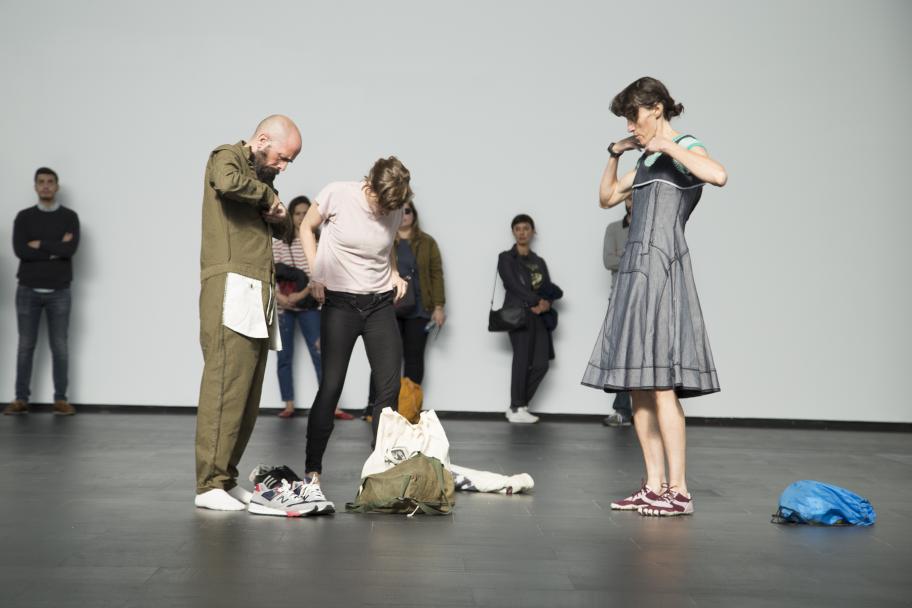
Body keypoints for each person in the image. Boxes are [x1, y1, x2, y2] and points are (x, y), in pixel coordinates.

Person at [582, 77, 728, 516]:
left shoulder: (684, 147)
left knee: (662, 383)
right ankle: (653, 484)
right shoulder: (643, 161)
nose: (632, 125)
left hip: (664, 270)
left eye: (636, 115)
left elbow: (718, 175)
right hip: (633, 273)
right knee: (637, 385)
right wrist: (614, 154)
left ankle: (678, 491)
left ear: (658, 108)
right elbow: (607, 197)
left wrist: (669, 147)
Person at [194, 115, 305, 511]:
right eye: (282, 157)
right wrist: (267, 199)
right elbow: (226, 182)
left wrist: (279, 218)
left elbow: (284, 232)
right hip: (232, 284)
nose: (283, 166)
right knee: (225, 383)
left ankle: (225, 478)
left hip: (258, 287)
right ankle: (207, 484)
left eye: (289, 161)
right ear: (261, 139)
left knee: (248, 389)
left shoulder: (264, 181)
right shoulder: (227, 156)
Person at [299, 156, 413, 497]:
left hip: (379, 304)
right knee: (331, 386)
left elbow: (386, 248)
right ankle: (313, 470)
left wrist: (392, 272)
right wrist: (315, 272)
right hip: (340, 304)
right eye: (381, 202)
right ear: (369, 186)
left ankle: (379, 470)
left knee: (388, 390)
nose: (384, 211)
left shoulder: (392, 207)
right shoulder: (338, 194)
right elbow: (306, 227)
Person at [5, 167, 80, 416]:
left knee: (60, 346)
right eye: (41, 182)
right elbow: (21, 251)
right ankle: (20, 399)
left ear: (56, 186)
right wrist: (56, 247)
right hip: (28, 290)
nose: (46, 186)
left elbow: (70, 250)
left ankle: (60, 399)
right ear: (35, 187)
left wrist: (40, 245)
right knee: (26, 345)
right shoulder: (24, 217)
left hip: (60, 290)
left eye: (50, 182)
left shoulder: (69, 217)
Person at [274, 195, 353, 420]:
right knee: (284, 357)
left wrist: (300, 294)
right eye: (297, 213)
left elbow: (319, 274)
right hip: (284, 308)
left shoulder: (317, 242)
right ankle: (288, 404)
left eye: (304, 213)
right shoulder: (279, 243)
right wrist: (280, 297)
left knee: (321, 354)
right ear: (290, 215)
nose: (300, 217)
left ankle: (332, 406)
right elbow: (268, 274)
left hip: (308, 306)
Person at [364, 200, 446, 419]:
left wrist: (439, 306)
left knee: (414, 359)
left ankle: (411, 408)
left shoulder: (428, 243)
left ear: (414, 214)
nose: (404, 215)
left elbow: (436, 274)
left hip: (420, 310)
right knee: (385, 359)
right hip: (388, 308)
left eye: (408, 211)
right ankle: (375, 407)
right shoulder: (385, 239)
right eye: (400, 212)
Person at [497, 214, 562, 424]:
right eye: (518, 228)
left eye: (526, 228)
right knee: (522, 360)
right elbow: (512, 284)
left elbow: (548, 287)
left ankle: (519, 405)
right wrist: (535, 301)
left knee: (542, 363)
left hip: (539, 315)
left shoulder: (538, 261)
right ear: (513, 232)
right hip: (519, 314)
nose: (522, 232)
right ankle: (517, 407)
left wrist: (546, 303)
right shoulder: (506, 258)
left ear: (533, 232)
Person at [601, 196, 632, 427]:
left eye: (635, 195)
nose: (631, 199)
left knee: (648, 355)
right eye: (628, 195)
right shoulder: (613, 229)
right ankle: (622, 410)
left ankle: (649, 411)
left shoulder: (652, 226)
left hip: (650, 298)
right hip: (620, 298)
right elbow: (608, 260)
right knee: (621, 355)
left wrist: (624, 255)